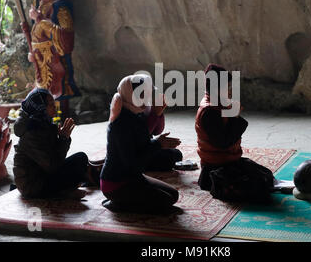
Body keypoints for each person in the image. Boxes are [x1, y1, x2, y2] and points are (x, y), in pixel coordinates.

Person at [100, 75, 181, 213]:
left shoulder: (137, 113)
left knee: (174, 195)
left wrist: (159, 141)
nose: (146, 98)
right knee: (166, 201)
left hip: (132, 176)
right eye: (141, 94)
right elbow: (133, 165)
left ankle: (122, 201)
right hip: (115, 183)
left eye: (146, 94)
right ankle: (116, 203)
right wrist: (158, 144)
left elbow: (151, 136)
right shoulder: (121, 123)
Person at [195, 64, 274, 204]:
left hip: (229, 161)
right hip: (215, 169)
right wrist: (235, 117)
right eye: (227, 88)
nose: (230, 92)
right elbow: (224, 143)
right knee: (257, 186)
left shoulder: (218, 103)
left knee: (266, 176)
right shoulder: (209, 111)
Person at [19, 0, 81, 118]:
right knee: (42, 98)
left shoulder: (60, 6)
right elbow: (37, 38)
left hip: (56, 63)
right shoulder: (40, 7)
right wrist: (33, 53)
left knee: (59, 99)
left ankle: (62, 120)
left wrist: (40, 21)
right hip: (41, 65)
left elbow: (66, 41)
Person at [13, 89, 99, 199]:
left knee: (80, 159)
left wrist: (61, 138)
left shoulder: (42, 124)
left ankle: (67, 189)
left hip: (42, 175)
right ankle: (61, 192)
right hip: (33, 186)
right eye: (51, 104)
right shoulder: (32, 132)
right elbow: (53, 165)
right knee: (79, 160)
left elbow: (54, 158)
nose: (55, 107)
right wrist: (63, 139)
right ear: (40, 107)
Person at [108, 75, 183, 172]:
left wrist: (159, 113)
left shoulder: (141, 106)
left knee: (176, 154)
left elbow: (157, 131)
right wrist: (155, 114)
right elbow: (141, 137)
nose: (147, 96)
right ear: (131, 93)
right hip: (133, 156)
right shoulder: (123, 114)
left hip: (142, 148)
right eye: (142, 93)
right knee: (170, 158)